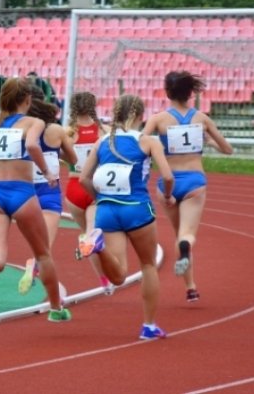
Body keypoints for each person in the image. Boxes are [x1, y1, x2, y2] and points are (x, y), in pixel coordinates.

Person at [0, 77, 72, 323]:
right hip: (21, 194)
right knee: (43, 255)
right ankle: (56, 308)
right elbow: (33, 146)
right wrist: (47, 172)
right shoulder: (33, 122)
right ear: (28, 99)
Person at [78, 94, 174, 340]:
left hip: (106, 211)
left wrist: (100, 199)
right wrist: (168, 196)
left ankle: (98, 248)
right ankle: (148, 326)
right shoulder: (147, 141)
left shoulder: (102, 142)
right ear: (141, 116)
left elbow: (84, 179)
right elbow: (168, 176)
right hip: (137, 209)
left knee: (119, 276)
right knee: (148, 265)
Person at [142, 71, 233, 303]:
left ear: (167, 92)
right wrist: (209, 141)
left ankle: (191, 287)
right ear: (190, 93)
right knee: (187, 234)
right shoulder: (202, 119)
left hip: (168, 181)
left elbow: (140, 145)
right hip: (194, 181)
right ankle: (187, 257)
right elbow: (228, 149)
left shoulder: (158, 119)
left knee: (177, 233)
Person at [17, 84, 77, 295]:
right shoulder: (55, 131)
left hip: (24, 194)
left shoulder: (19, 129)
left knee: (38, 245)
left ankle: (37, 270)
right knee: (45, 249)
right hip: (49, 193)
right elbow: (73, 160)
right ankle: (52, 298)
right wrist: (56, 150)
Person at [63, 91, 115, 295]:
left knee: (88, 233)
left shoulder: (67, 133)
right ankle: (106, 280)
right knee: (94, 234)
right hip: (95, 186)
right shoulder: (105, 131)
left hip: (74, 188)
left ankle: (103, 281)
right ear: (93, 106)